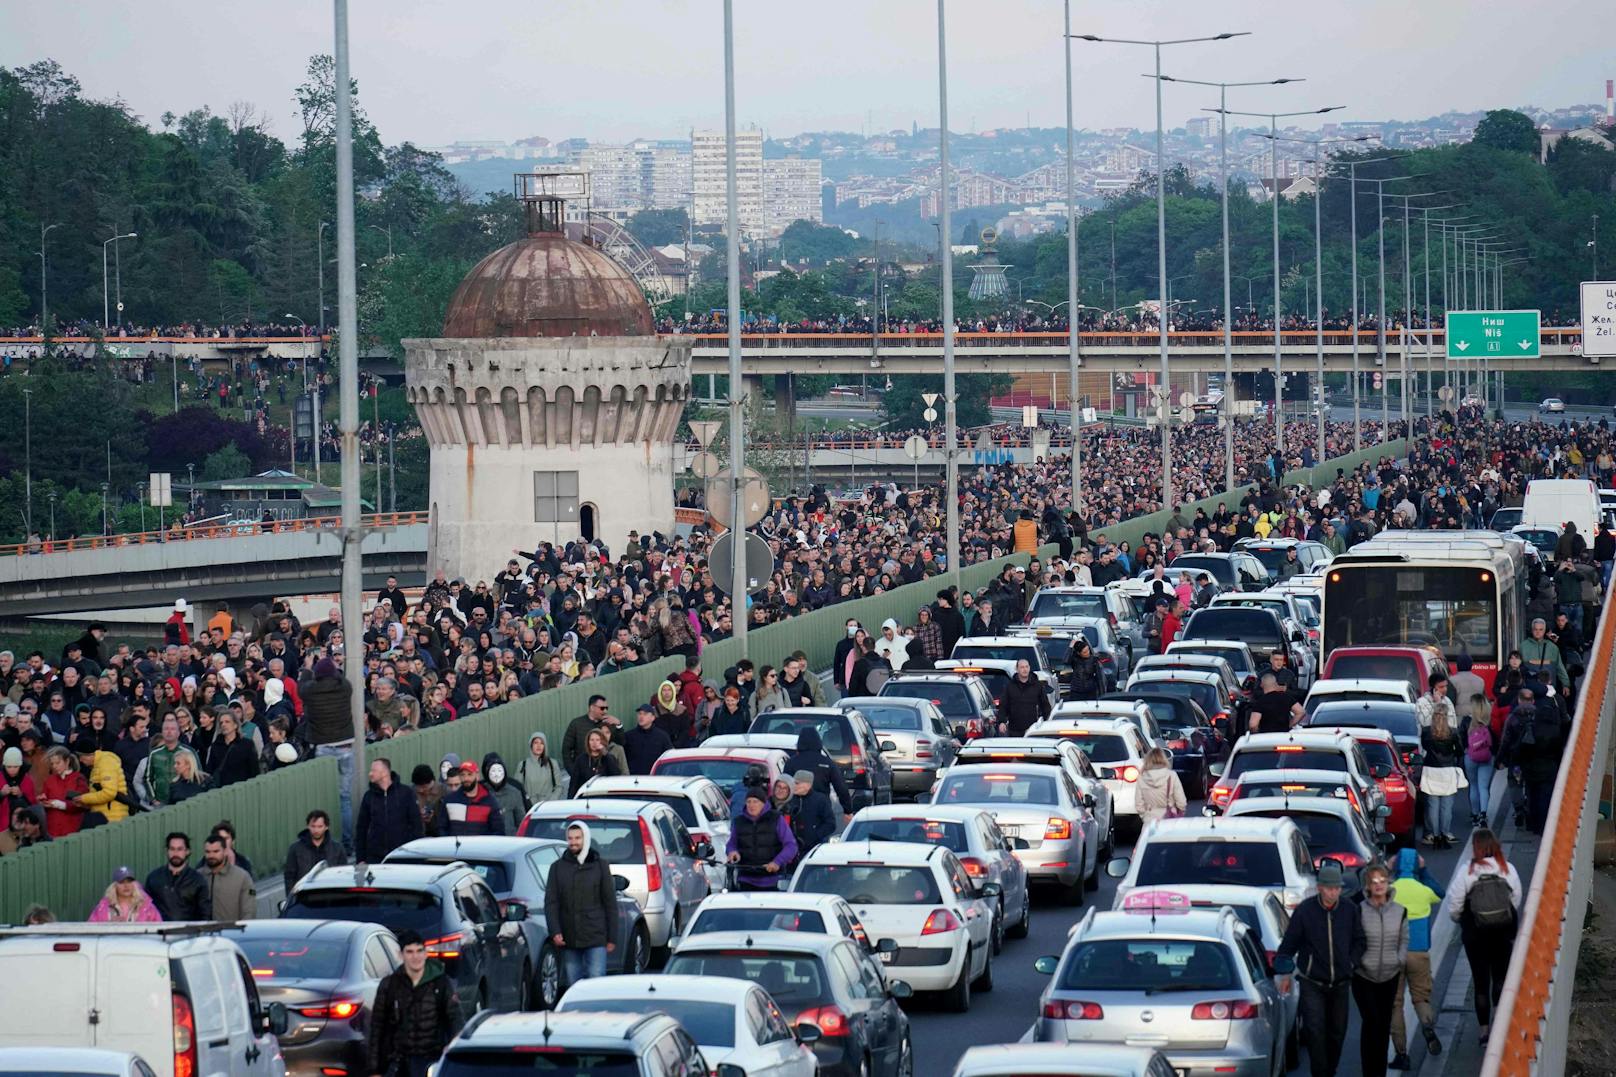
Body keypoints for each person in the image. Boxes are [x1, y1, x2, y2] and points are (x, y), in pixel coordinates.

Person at [1276, 860, 1366, 1077]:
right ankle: (1320, 1074)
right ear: (1320, 888)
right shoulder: (1305, 912)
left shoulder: (1349, 910)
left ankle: (1330, 1071)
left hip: (1341, 983)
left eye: (1337, 888)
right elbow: (1288, 946)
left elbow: (1360, 940)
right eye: (1330, 888)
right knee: (1315, 1032)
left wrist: (1351, 962)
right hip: (1312, 982)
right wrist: (1285, 971)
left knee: (1337, 1033)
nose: (1334, 892)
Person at [1446, 829, 1521, 1045]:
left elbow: (1455, 904)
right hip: (1503, 931)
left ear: (1476, 848)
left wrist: (1461, 920)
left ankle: (1484, 1032)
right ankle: (1500, 1024)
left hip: (1475, 933)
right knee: (1500, 977)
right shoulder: (1508, 869)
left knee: (1480, 982)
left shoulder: (1467, 871)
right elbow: (1515, 898)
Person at [366, 928, 463, 1077]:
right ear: (401, 955)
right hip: (399, 1062)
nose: (415, 957)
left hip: (432, 1060)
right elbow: (377, 1027)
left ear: (425, 953)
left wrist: (454, 1052)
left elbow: (455, 1017)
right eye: (410, 952)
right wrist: (375, 1069)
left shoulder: (441, 983)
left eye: (419, 951)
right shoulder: (390, 985)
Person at [543, 822, 617, 990]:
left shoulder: (600, 866)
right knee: (573, 986)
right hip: (569, 937)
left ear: (586, 838)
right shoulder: (557, 868)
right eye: (570, 838)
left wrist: (612, 937)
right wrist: (555, 931)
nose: (573, 842)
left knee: (596, 983)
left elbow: (610, 904)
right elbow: (551, 903)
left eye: (577, 838)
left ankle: (596, 1015)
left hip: (596, 936)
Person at [1390, 848, 1446, 1067]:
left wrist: (1386, 869)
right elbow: (1439, 892)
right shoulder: (1423, 891)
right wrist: (1424, 871)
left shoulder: (1390, 890)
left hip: (1394, 955)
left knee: (1395, 1004)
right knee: (1420, 998)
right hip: (1419, 952)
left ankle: (1401, 1054)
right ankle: (1427, 1024)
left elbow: (1370, 895)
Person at [1352, 863, 1408, 1077]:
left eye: (1382, 881)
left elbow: (1404, 940)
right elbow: (1354, 939)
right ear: (1368, 885)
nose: (1379, 885)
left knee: (1384, 1025)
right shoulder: (1359, 909)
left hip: (1390, 975)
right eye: (1374, 882)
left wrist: (1398, 960)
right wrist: (1359, 962)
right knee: (1371, 1022)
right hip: (1363, 976)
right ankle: (1369, 1071)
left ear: (1388, 883)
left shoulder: (1400, 911)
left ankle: (1380, 1072)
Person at [299, 657, 357, 851]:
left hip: (322, 745)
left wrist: (307, 669)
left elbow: (302, 688)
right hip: (345, 746)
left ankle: (324, 842)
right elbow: (342, 678)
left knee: (322, 796)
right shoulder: (345, 687)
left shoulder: (311, 690)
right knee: (345, 797)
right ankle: (348, 843)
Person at [1499, 684, 1566, 834]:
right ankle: (1542, 825)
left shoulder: (1518, 721)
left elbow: (1509, 742)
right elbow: (1558, 750)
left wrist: (1503, 759)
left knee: (1521, 788)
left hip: (1526, 765)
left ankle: (1524, 814)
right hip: (1548, 768)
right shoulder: (1554, 730)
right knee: (1544, 796)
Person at [725, 787, 798, 891]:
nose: (751, 805)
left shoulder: (776, 819)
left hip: (772, 880)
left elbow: (791, 846)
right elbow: (731, 844)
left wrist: (777, 862)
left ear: (763, 803)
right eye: (748, 802)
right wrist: (732, 852)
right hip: (745, 879)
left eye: (755, 801)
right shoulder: (739, 821)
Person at [1419, 696, 1466, 848]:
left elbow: (1425, 747)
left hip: (1431, 769)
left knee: (1432, 805)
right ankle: (1445, 833)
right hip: (1447, 769)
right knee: (1446, 805)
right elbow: (1460, 750)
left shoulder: (1427, 732)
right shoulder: (1452, 732)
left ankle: (1435, 834)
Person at [357, 757, 425, 862]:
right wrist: (361, 858)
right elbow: (361, 828)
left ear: (384, 772)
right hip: (376, 858)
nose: (370, 774)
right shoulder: (369, 797)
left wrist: (416, 855)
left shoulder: (406, 793)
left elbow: (416, 825)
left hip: (403, 856)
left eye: (374, 771)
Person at [782, 728, 852, 819]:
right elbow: (841, 787)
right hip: (822, 809)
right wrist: (848, 810)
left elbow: (785, 786)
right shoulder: (827, 763)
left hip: (798, 810)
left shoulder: (791, 763)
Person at [145, 832, 209, 921]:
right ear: (167, 851)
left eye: (180, 849)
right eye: (172, 849)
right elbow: (145, 909)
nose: (176, 853)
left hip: (189, 933)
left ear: (187, 851)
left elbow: (205, 913)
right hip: (160, 932)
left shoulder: (197, 880)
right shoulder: (154, 878)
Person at [284, 809, 347, 894]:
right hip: (304, 896)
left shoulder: (337, 848)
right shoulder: (295, 848)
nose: (316, 830)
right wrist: (291, 897)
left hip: (330, 896)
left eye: (320, 826)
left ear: (326, 827)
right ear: (308, 826)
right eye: (313, 826)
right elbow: (289, 875)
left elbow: (343, 875)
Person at [437, 759, 506, 836]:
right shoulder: (449, 801)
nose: (466, 778)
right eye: (463, 775)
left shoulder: (489, 802)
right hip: (455, 847)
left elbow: (498, 831)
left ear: (477, 776)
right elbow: (441, 828)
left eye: (469, 774)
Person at [201, 833, 256, 920]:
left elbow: (249, 911)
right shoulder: (198, 877)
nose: (211, 856)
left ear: (225, 851)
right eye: (208, 852)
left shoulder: (242, 877)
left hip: (231, 932)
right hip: (202, 932)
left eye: (216, 851)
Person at [786, 769, 836, 857]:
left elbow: (830, 823)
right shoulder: (789, 799)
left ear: (808, 785)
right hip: (791, 847)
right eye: (793, 783)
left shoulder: (820, 800)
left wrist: (815, 835)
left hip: (814, 849)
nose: (794, 786)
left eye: (797, 783)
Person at [88, 865, 163, 923]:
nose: (126, 886)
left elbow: (159, 929)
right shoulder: (102, 908)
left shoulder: (147, 907)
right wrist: (108, 925)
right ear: (114, 886)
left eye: (129, 881)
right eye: (121, 882)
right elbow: (91, 930)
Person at [1134, 747, 1186, 826]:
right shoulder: (1171, 776)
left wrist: (1145, 816)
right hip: (1170, 819)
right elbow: (1181, 801)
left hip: (1150, 819)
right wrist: (1179, 812)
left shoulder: (1142, 777)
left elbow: (1139, 804)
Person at [567, 727, 623, 796]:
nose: (594, 743)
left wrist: (605, 754)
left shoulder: (608, 758)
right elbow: (574, 783)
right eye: (592, 740)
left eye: (597, 740)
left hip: (604, 797)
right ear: (588, 742)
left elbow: (616, 775)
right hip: (585, 797)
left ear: (602, 741)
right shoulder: (581, 759)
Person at [1000, 658, 1050, 736]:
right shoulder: (1010, 686)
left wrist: (1046, 722)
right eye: (1022, 667)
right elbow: (1003, 705)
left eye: (1026, 667)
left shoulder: (1037, 686)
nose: (1025, 669)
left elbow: (1045, 705)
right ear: (1017, 669)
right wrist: (1002, 722)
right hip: (1014, 730)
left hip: (1033, 730)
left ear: (1029, 668)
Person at [482, 753, 527, 832]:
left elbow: (521, 821)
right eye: (493, 771)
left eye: (499, 771)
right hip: (488, 840)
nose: (496, 775)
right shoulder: (480, 791)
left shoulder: (514, 792)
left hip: (510, 839)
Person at [623, 704, 673, 775]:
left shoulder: (662, 736)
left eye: (645, 714)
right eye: (639, 714)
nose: (641, 716)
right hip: (634, 779)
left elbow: (669, 756)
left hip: (655, 777)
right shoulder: (629, 736)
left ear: (653, 718)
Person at [518, 731, 563, 806]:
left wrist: (551, 802)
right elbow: (518, 789)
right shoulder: (523, 765)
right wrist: (527, 802)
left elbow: (559, 787)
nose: (539, 746)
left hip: (548, 806)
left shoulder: (552, 764)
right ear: (531, 745)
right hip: (529, 807)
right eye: (536, 743)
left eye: (542, 743)